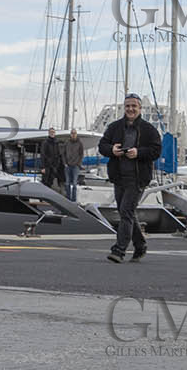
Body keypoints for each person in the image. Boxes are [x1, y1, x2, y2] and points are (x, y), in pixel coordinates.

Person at [98, 94, 162, 263]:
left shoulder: (149, 130)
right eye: (127, 106)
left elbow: (156, 151)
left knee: (126, 211)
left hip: (138, 178)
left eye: (134, 106)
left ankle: (119, 250)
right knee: (126, 212)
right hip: (119, 177)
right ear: (123, 108)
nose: (131, 109)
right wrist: (112, 149)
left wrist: (138, 153)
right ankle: (140, 245)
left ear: (140, 108)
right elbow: (102, 146)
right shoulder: (114, 127)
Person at [63, 128, 85, 202]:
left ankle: (73, 200)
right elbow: (63, 153)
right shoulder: (67, 142)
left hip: (76, 166)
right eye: (72, 133)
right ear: (70, 134)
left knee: (75, 184)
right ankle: (68, 199)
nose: (73, 134)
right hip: (67, 166)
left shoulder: (80, 143)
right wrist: (65, 163)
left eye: (74, 133)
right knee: (67, 183)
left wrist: (79, 164)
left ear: (76, 134)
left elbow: (81, 154)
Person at [39, 127, 64, 193]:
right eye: (51, 132)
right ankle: (42, 197)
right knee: (45, 182)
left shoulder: (56, 143)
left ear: (55, 133)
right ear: (49, 133)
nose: (52, 133)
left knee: (50, 182)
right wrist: (43, 167)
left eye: (53, 132)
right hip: (46, 165)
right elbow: (42, 155)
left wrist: (57, 164)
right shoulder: (45, 142)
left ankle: (47, 196)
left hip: (54, 166)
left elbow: (58, 154)